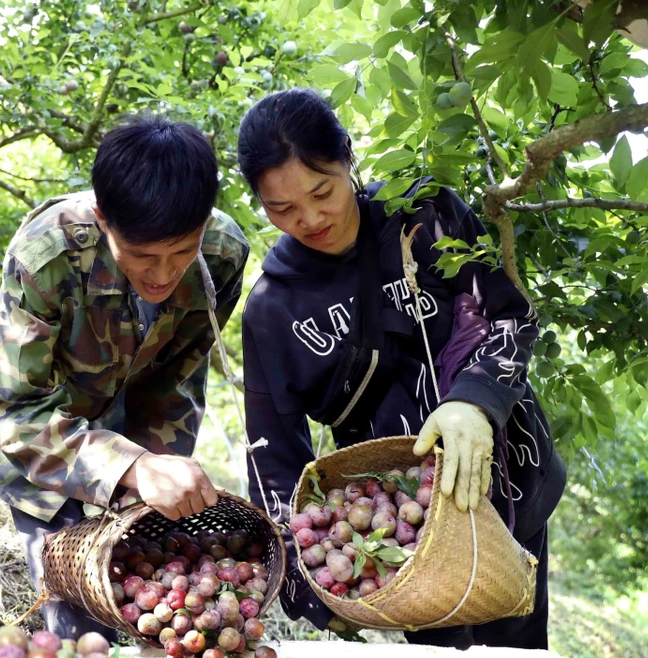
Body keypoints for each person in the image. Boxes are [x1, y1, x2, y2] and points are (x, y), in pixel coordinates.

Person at [236, 88, 567, 649]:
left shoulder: (425, 216)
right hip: (401, 538)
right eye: (282, 208)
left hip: (503, 490)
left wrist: (475, 400)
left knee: (515, 649)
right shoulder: (272, 311)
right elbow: (274, 459)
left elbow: (510, 317)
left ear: (348, 157)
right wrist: (305, 583)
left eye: (323, 191)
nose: (311, 218)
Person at [0, 115, 250, 641]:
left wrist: (148, 478)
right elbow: (14, 409)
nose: (163, 274)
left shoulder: (222, 255)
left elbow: (177, 376)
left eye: (180, 253)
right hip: (38, 434)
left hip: (128, 416)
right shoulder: (46, 258)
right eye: (141, 256)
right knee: (79, 613)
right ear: (102, 218)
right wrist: (130, 467)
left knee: (141, 583)